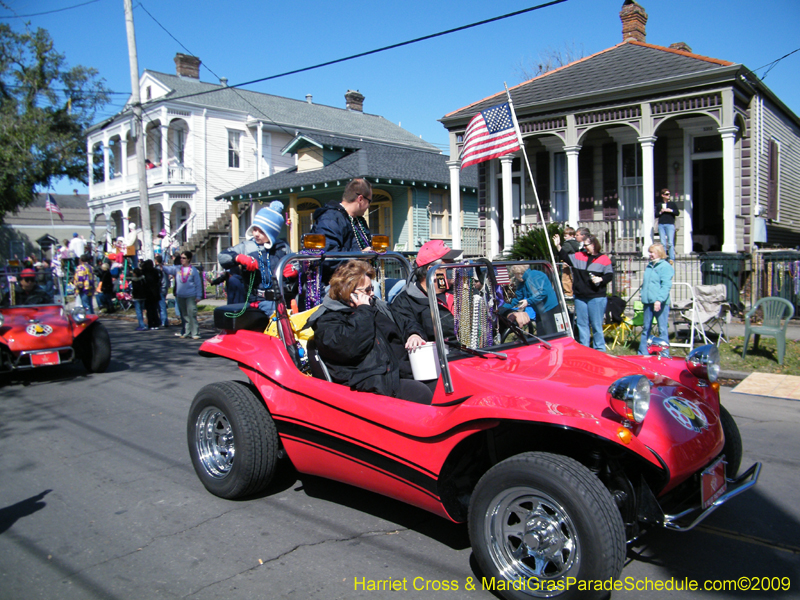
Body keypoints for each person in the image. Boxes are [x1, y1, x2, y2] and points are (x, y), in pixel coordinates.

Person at [307, 260, 433, 404]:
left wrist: (414, 333)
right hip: (372, 382)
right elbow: (352, 347)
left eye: (371, 288)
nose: (372, 293)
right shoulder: (328, 319)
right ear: (348, 292)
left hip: (398, 371)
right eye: (367, 290)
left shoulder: (376, 306)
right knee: (420, 393)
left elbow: (405, 321)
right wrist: (363, 311)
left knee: (445, 383)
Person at [218, 201, 290, 316]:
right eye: (255, 229)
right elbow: (222, 256)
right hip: (259, 300)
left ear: (272, 233)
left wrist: (294, 270)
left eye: (261, 231)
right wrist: (238, 257)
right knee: (280, 318)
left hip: (283, 297)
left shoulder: (283, 247)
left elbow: (295, 265)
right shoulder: (246, 246)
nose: (256, 234)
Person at [391, 239, 462, 342]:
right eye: (448, 266)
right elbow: (408, 324)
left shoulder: (460, 291)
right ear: (431, 270)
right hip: (442, 354)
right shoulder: (405, 301)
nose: (455, 269)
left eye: (454, 264)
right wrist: (414, 335)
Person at [553, 233, 613, 351]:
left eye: (587, 245)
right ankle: (584, 348)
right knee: (582, 324)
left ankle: (599, 348)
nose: (585, 248)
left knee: (596, 325)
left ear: (594, 244)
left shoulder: (604, 259)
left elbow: (609, 275)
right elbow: (566, 257)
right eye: (584, 246)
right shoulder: (579, 256)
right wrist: (558, 246)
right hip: (580, 297)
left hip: (596, 297)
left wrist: (601, 279)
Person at [310, 178, 373, 252]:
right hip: (345, 264)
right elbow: (329, 254)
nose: (369, 206)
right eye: (369, 201)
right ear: (360, 199)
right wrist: (361, 255)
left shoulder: (359, 221)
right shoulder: (330, 218)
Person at [638, 243, 674, 356]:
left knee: (662, 329)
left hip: (660, 302)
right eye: (650, 252)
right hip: (647, 302)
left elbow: (666, 285)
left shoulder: (665, 266)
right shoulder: (650, 265)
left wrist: (659, 300)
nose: (650, 254)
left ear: (659, 252)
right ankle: (643, 352)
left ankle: (664, 353)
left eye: (652, 252)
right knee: (646, 328)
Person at [507, 264, 560, 336]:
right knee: (543, 335)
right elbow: (518, 297)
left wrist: (528, 301)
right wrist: (505, 307)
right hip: (540, 312)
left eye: (515, 274)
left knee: (552, 335)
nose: (515, 277)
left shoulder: (535, 275)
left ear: (519, 273)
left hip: (550, 310)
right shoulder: (523, 282)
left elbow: (542, 293)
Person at [162, 250, 203, 339]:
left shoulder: (193, 270)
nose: (182, 259)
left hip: (191, 296)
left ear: (189, 259)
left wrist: (199, 296)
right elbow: (168, 269)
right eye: (181, 258)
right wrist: (161, 265)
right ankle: (186, 332)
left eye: (184, 258)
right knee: (184, 316)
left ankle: (195, 333)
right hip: (180, 296)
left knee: (192, 314)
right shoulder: (177, 268)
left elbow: (198, 283)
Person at [655, 188, 679, 263]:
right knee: (663, 243)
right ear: (662, 195)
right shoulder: (659, 205)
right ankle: (664, 258)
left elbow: (677, 213)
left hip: (670, 224)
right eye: (666, 194)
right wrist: (661, 211)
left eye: (669, 194)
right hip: (661, 224)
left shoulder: (672, 204)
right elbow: (656, 215)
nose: (668, 195)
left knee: (670, 242)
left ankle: (672, 258)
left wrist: (670, 210)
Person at [560, 227, 582, 297]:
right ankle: (574, 291)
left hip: (567, 261)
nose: (564, 237)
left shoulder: (566, 244)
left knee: (566, 278)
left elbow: (563, 252)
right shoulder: (577, 244)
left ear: (572, 235)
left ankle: (568, 293)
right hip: (575, 262)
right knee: (573, 277)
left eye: (566, 236)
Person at [141, 259, 162, 329]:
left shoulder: (144, 272)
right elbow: (158, 279)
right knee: (154, 309)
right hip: (155, 292)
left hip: (147, 292)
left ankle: (151, 324)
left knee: (149, 309)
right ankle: (156, 323)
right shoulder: (155, 271)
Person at [154, 255, 171, 327]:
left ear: (157, 261)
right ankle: (163, 320)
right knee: (161, 304)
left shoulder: (158, 269)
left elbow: (159, 279)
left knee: (161, 305)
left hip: (161, 288)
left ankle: (164, 321)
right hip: (165, 288)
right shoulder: (165, 268)